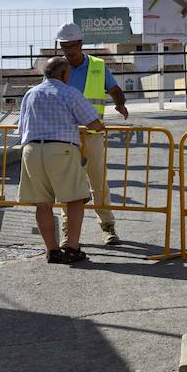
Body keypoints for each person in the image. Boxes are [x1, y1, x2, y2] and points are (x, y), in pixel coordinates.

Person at [17, 56, 105, 264]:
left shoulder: (30, 94)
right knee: (75, 199)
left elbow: (21, 127)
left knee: (43, 204)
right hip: (61, 150)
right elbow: (93, 122)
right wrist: (100, 127)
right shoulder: (69, 92)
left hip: (31, 151)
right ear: (65, 74)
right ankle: (72, 249)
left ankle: (52, 251)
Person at [56, 23, 129, 246]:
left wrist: (120, 105)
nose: (68, 51)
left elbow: (114, 89)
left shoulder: (98, 66)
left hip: (92, 133)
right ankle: (68, 232)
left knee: (98, 181)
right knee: (66, 184)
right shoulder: (58, 68)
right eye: (64, 47)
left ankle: (108, 227)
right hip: (65, 135)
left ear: (81, 44)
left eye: (71, 46)